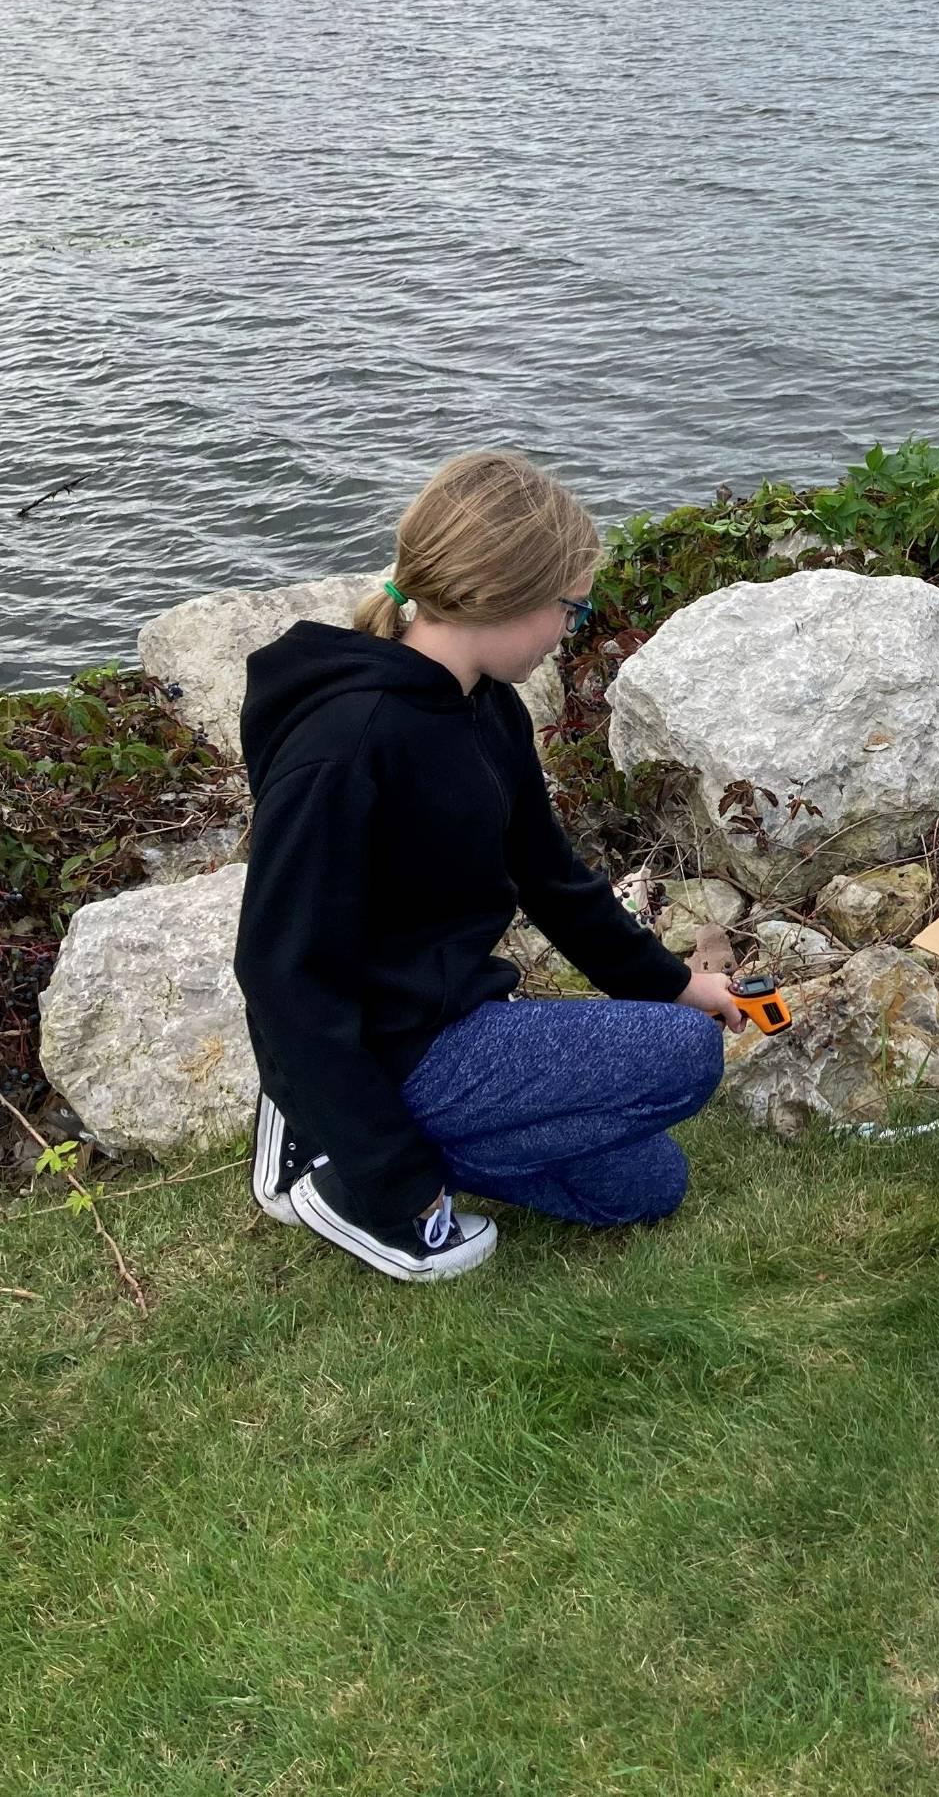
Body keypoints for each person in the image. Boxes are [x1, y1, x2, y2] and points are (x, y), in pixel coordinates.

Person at [232, 450, 744, 1283]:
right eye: (568, 608)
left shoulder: (487, 710)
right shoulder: (348, 744)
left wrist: (677, 983)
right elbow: (279, 969)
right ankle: (349, 1169)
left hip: (452, 1020)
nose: (569, 631)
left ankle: (343, 1137)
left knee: (650, 1184)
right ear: (505, 595)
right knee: (683, 1055)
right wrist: (396, 1179)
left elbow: (551, 879)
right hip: (391, 1045)